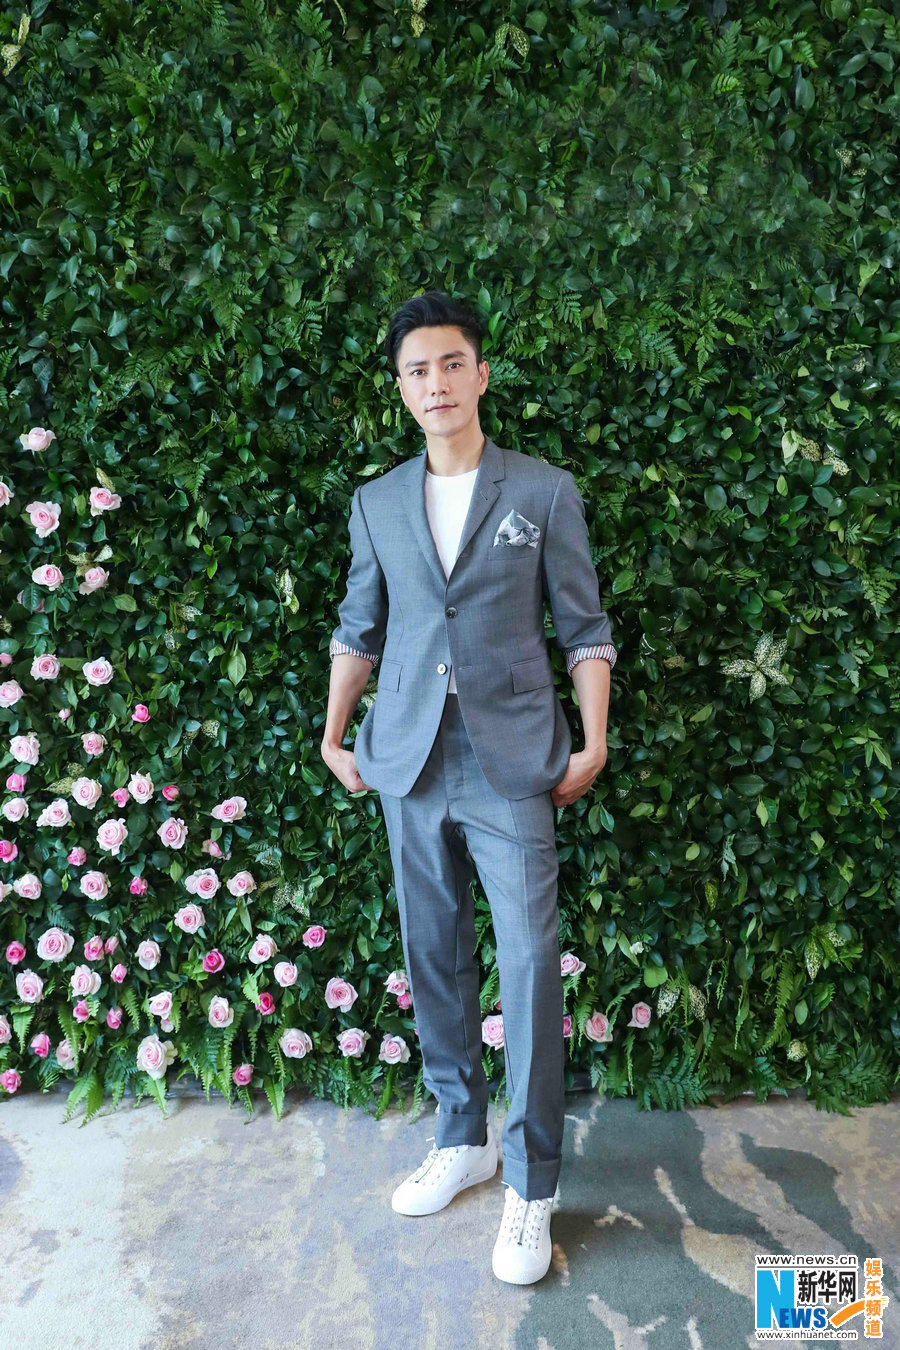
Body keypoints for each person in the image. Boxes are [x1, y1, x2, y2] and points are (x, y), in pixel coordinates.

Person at [320, 290, 617, 1285]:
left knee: (529, 961)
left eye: (452, 363)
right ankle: (463, 1136)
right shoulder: (377, 502)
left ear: (481, 374)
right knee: (433, 952)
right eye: (418, 370)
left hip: (512, 760)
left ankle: (532, 1185)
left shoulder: (542, 491)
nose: (436, 383)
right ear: (402, 390)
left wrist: (594, 740)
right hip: (407, 756)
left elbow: (584, 627)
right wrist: (333, 732)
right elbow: (360, 625)